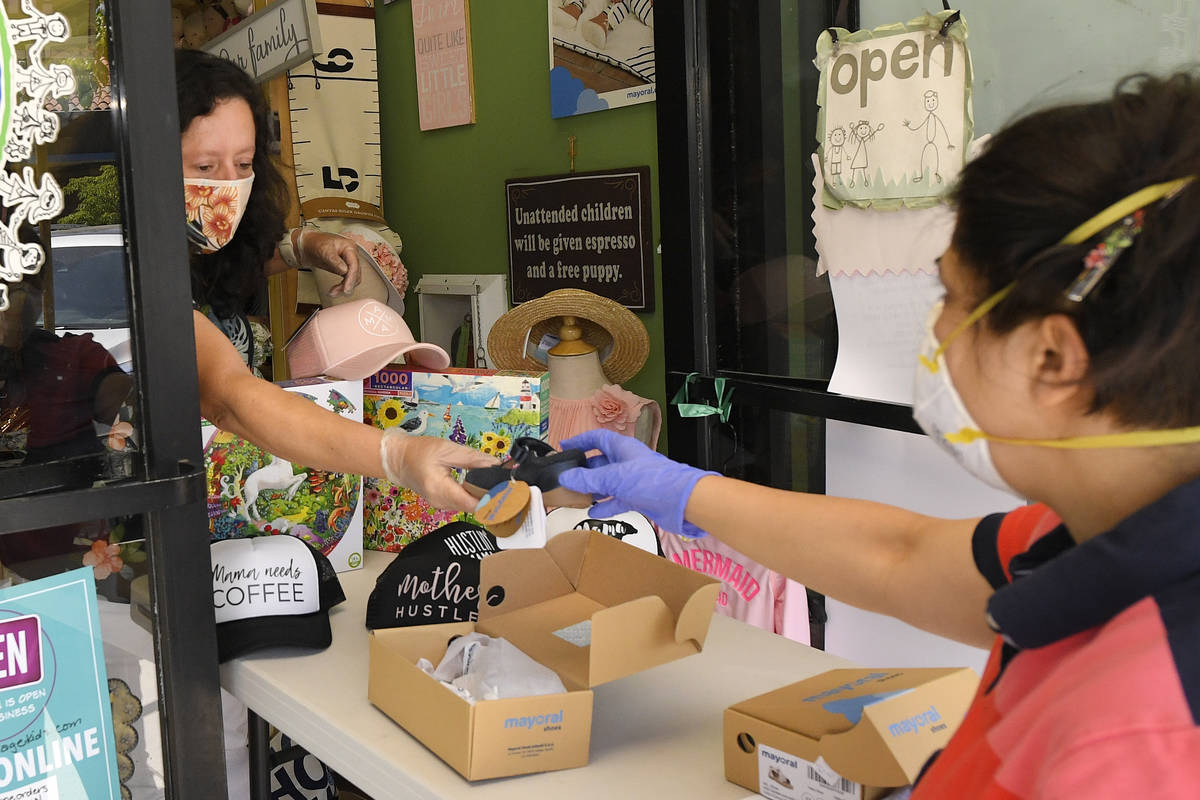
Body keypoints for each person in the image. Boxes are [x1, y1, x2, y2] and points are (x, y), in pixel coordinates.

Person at [558, 72, 1200, 796]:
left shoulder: (1140, 736)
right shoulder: (1084, 533)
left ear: (1051, 358)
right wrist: (684, 491)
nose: (934, 330)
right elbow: (899, 556)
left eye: (951, 298)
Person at [176, 49, 493, 512]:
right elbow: (230, 397)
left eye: (244, 165)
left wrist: (307, 244)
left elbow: (233, 260)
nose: (228, 184)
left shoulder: (207, 246)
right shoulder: (133, 278)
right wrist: (399, 455)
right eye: (205, 168)